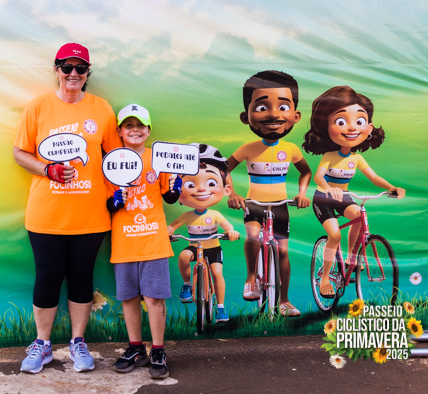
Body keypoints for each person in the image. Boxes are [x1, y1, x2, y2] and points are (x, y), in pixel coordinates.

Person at [13, 43, 121, 374]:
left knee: (81, 278)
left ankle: (78, 342)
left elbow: (115, 158)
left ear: (88, 73)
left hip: (91, 214)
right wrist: (48, 170)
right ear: (56, 70)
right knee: (47, 277)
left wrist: (120, 192)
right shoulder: (38, 106)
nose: (73, 73)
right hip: (46, 214)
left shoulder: (101, 108)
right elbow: (19, 153)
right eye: (67, 67)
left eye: (80, 68)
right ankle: (42, 344)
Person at [302, 85, 406, 298]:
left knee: (359, 216)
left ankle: (351, 257)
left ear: (368, 128)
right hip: (324, 198)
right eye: (342, 121)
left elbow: (374, 177)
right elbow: (318, 177)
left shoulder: (357, 158)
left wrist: (391, 188)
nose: (351, 128)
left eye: (359, 121)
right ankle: (324, 280)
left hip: (344, 197)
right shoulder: (330, 156)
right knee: (334, 235)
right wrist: (329, 189)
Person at [226, 70, 312, 317]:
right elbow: (224, 169)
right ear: (246, 116)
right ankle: (251, 278)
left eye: (283, 107)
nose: (274, 114)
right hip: (253, 204)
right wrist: (232, 194)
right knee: (253, 237)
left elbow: (306, 172)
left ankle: (284, 300)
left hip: (281, 205)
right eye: (263, 108)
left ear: (295, 116)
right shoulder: (248, 148)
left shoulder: (291, 148)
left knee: (283, 252)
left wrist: (302, 193)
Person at [107, 104, 180, 379]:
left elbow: (169, 197)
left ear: (149, 130)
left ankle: (158, 350)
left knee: (154, 297)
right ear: (119, 131)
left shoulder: (158, 160)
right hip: (124, 241)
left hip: (153, 240)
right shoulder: (111, 161)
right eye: (129, 125)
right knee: (128, 297)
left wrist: (175, 188)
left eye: (140, 125)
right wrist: (114, 201)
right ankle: (136, 348)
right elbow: (105, 204)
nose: (135, 130)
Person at [168, 144, 240, 323]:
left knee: (217, 273)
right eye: (191, 185)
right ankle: (187, 284)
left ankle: (220, 307)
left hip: (213, 248)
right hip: (195, 247)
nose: (201, 189)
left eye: (210, 183)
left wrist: (230, 231)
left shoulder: (214, 214)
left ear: (226, 189)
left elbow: (226, 224)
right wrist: (168, 231)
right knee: (183, 256)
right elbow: (173, 226)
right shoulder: (187, 215)